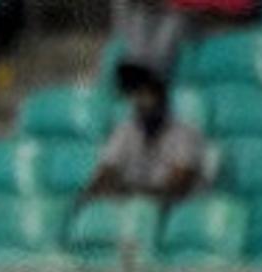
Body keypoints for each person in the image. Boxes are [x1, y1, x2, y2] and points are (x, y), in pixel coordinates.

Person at [85, 63, 206, 204]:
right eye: (138, 97)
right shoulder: (125, 131)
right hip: (136, 209)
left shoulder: (185, 133)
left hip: (174, 211)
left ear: (163, 100)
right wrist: (96, 190)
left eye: (149, 97)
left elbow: (178, 186)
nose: (143, 103)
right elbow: (105, 171)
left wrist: (131, 193)